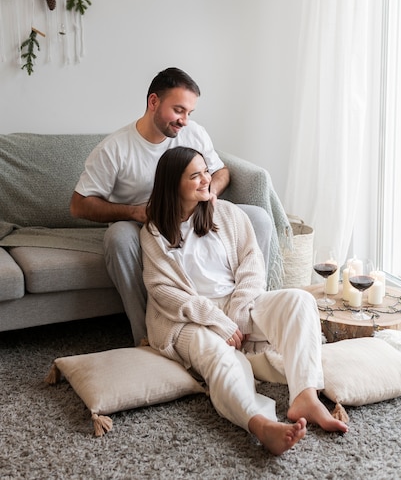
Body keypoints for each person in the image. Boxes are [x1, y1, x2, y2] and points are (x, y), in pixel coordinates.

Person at [140, 146, 348, 456]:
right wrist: (219, 323)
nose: (205, 180)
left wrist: (236, 313)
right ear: (173, 185)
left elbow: (253, 265)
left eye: (205, 172)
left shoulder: (227, 213)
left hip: (239, 305)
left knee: (299, 302)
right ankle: (261, 424)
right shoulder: (153, 233)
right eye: (194, 175)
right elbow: (164, 293)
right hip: (189, 320)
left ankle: (305, 395)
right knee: (221, 359)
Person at [70, 67, 272, 345]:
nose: (184, 121)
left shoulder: (193, 133)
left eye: (189, 112)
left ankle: (251, 310)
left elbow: (221, 171)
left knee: (258, 217)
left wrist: (209, 190)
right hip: (143, 222)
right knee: (118, 238)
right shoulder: (114, 149)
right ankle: (146, 336)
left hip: (191, 213)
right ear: (153, 102)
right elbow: (79, 206)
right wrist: (132, 211)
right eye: (178, 110)